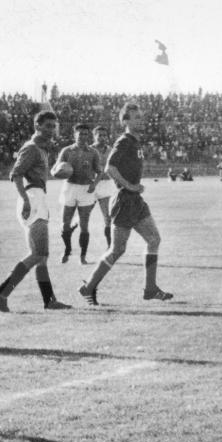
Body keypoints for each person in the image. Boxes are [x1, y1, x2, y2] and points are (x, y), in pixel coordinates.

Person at [78, 102, 173, 306]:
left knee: (154, 239)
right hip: (124, 201)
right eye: (135, 117)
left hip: (135, 202)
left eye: (141, 116)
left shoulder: (135, 141)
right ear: (125, 121)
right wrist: (129, 185)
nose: (140, 119)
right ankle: (88, 286)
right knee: (117, 249)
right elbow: (110, 168)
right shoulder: (124, 141)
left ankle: (150, 289)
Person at [0, 111, 72, 312]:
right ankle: (1, 291)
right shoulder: (32, 148)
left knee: (41, 256)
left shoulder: (42, 150)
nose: (52, 129)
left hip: (38, 198)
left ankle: (49, 300)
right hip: (32, 199)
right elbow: (15, 174)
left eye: (54, 126)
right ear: (37, 126)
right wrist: (26, 200)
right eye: (48, 126)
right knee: (38, 253)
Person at [54, 124, 103, 264]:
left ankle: (83, 256)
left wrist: (94, 184)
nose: (83, 136)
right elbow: (54, 168)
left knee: (84, 225)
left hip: (86, 190)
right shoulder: (66, 151)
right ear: (74, 135)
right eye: (80, 133)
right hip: (69, 187)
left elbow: (100, 172)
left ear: (89, 136)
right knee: (65, 224)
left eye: (86, 134)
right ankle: (67, 250)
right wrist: (56, 173)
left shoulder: (93, 152)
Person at [91, 126, 115, 249]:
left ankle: (109, 246)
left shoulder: (111, 150)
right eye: (99, 135)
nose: (102, 137)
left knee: (108, 217)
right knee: (83, 216)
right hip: (91, 184)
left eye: (104, 135)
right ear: (94, 136)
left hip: (105, 185)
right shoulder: (89, 150)